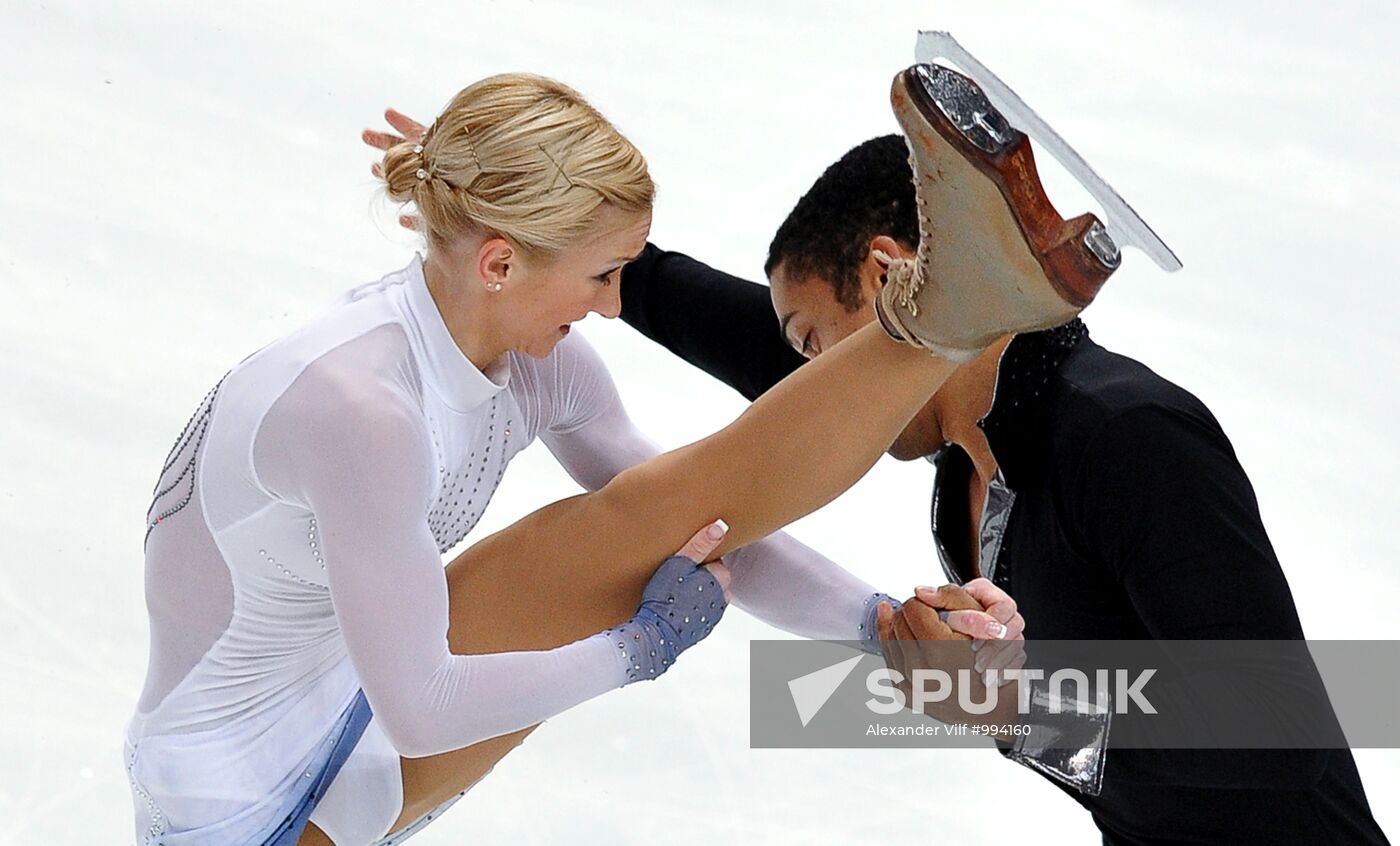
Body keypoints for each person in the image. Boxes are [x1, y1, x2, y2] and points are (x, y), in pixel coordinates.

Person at [128, 67, 1077, 846]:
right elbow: (423, 708)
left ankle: (950, 312)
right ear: (500, 263)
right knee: (600, 536)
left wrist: (878, 629)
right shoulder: (360, 408)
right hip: (244, 813)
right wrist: (637, 651)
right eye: (600, 274)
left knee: (635, 519)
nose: (613, 303)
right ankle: (949, 315)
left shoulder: (536, 366)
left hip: (345, 713)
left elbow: (704, 529)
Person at [608, 133, 1389, 842]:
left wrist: (1016, 705)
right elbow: (784, 364)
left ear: (889, 274)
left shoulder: (1126, 435)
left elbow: (1277, 726)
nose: (814, 386)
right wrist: (607, 273)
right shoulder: (967, 456)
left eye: (813, 341)